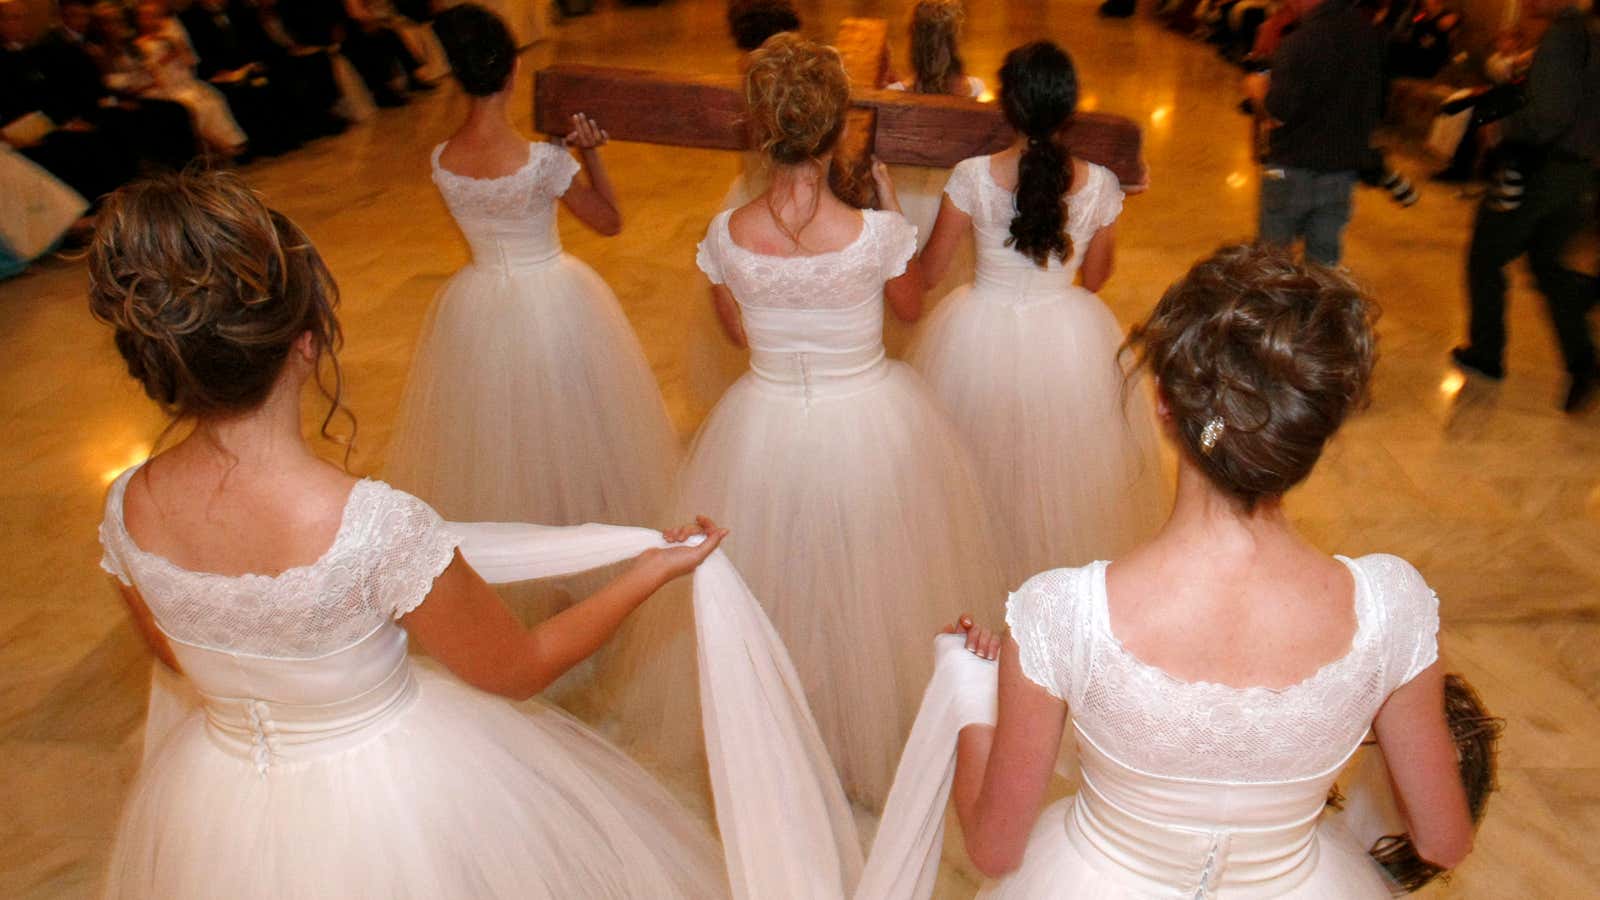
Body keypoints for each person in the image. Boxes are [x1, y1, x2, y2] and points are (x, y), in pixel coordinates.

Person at [88, 170, 728, 899]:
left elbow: (173, 654)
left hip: (219, 799)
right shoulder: (375, 527)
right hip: (386, 809)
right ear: (306, 344)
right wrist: (651, 568)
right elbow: (517, 668)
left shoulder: (127, 508)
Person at [948, 244, 1476, 896]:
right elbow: (1443, 841)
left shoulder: (1059, 614)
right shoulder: (1392, 608)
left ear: (1163, 405)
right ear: (1308, 433)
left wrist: (973, 699)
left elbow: (995, 849)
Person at [601, 34, 1005, 813]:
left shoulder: (726, 237)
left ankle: (785, 735)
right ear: (838, 129)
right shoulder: (877, 234)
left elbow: (737, 332)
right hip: (871, 427)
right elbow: (913, 308)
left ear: (759, 128)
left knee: (779, 581)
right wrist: (889, 210)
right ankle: (864, 745)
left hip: (767, 421)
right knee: (875, 579)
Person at [385, 5, 679, 632]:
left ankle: (522, 565)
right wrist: (589, 156)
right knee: (575, 431)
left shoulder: (442, 159)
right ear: (516, 70)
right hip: (553, 302)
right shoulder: (543, 162)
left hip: (479, 304)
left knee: (499, 436)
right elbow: (609, 220)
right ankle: (583, 558)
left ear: (458, 75)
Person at [903, 41, 1166, 587]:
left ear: (1007, 106)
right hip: (1067, 337)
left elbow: (928, 274)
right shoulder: (1100, 184)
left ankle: (984, 567)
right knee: (1060, 476)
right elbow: (1094, 280)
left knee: (977, 464)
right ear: (1070, 111)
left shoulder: (972, 176)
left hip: (977, 332)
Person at [1452, 0, 1598, 413]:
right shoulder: (1591, 32)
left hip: (1539, 170)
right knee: (1550, 266)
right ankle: (1584, 361)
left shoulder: (1563, 36)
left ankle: (1486, 352)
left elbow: (1549, 115)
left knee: (1485, 256)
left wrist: (1502, 127)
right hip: (1579, 173)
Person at [1243, 0, 1384, 266]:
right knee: (1324, 262)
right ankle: (1321, 307)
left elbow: (1277, 113)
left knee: (1273, 261)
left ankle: (1278, 308)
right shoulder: (1369, 34)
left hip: (1290, 166)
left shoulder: (1300, 41)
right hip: (1342, 169)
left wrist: (1258, 92)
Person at [131, 0, 249, 156]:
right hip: (165, 87)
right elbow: (147, 70)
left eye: (156, 16)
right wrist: (164, 59)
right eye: (147, 17)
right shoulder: (140, 44)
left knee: (213, 98)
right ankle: (212, 150)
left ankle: (229, 144)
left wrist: (175, 45)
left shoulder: (169, 35)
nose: (152, 20)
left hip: (184, 81)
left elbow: (190, 61)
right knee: (196, 107)